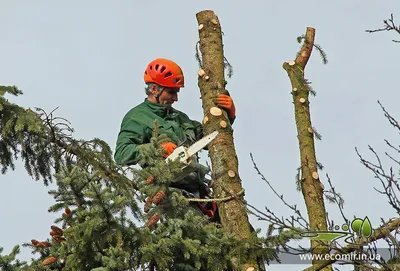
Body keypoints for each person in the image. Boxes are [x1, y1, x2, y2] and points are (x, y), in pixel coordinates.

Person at [114, 58, 236, 219]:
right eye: (171, 92)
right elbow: (121, 154)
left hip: (200, 194)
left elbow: (210, 137)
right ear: (154, 89)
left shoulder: (180, 118)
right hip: (172, 197)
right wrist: (157, 148)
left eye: (177, 92)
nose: (176, 98)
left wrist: (229, 114)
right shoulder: (137, 117)